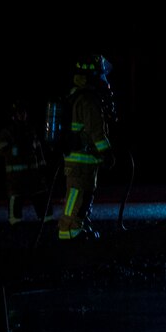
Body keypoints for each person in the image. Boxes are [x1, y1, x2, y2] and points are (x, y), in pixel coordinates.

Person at [57, 54, 116, 241]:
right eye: (100, 75)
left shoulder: (77, 96)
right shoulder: (88, 100)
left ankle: (78, 226)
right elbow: (96, 132)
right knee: (77, 195)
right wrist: (107, 152)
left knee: (83, 195)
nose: (103, 80)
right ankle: (68, 231)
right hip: (81, 160)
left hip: (82, 159)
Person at [0, 101, 51, 225]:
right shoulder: (7, 132)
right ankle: (15, 221)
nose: (22, 115)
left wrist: (42, 166)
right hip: (16, 175)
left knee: (40, 194)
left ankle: (47, 219)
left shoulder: (31, 130)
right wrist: (15, 147)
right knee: (16, 196)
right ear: (13, 115)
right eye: (19, 113)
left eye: (24, 112)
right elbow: (0, 149)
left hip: (33, 172)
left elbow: (38, 149)